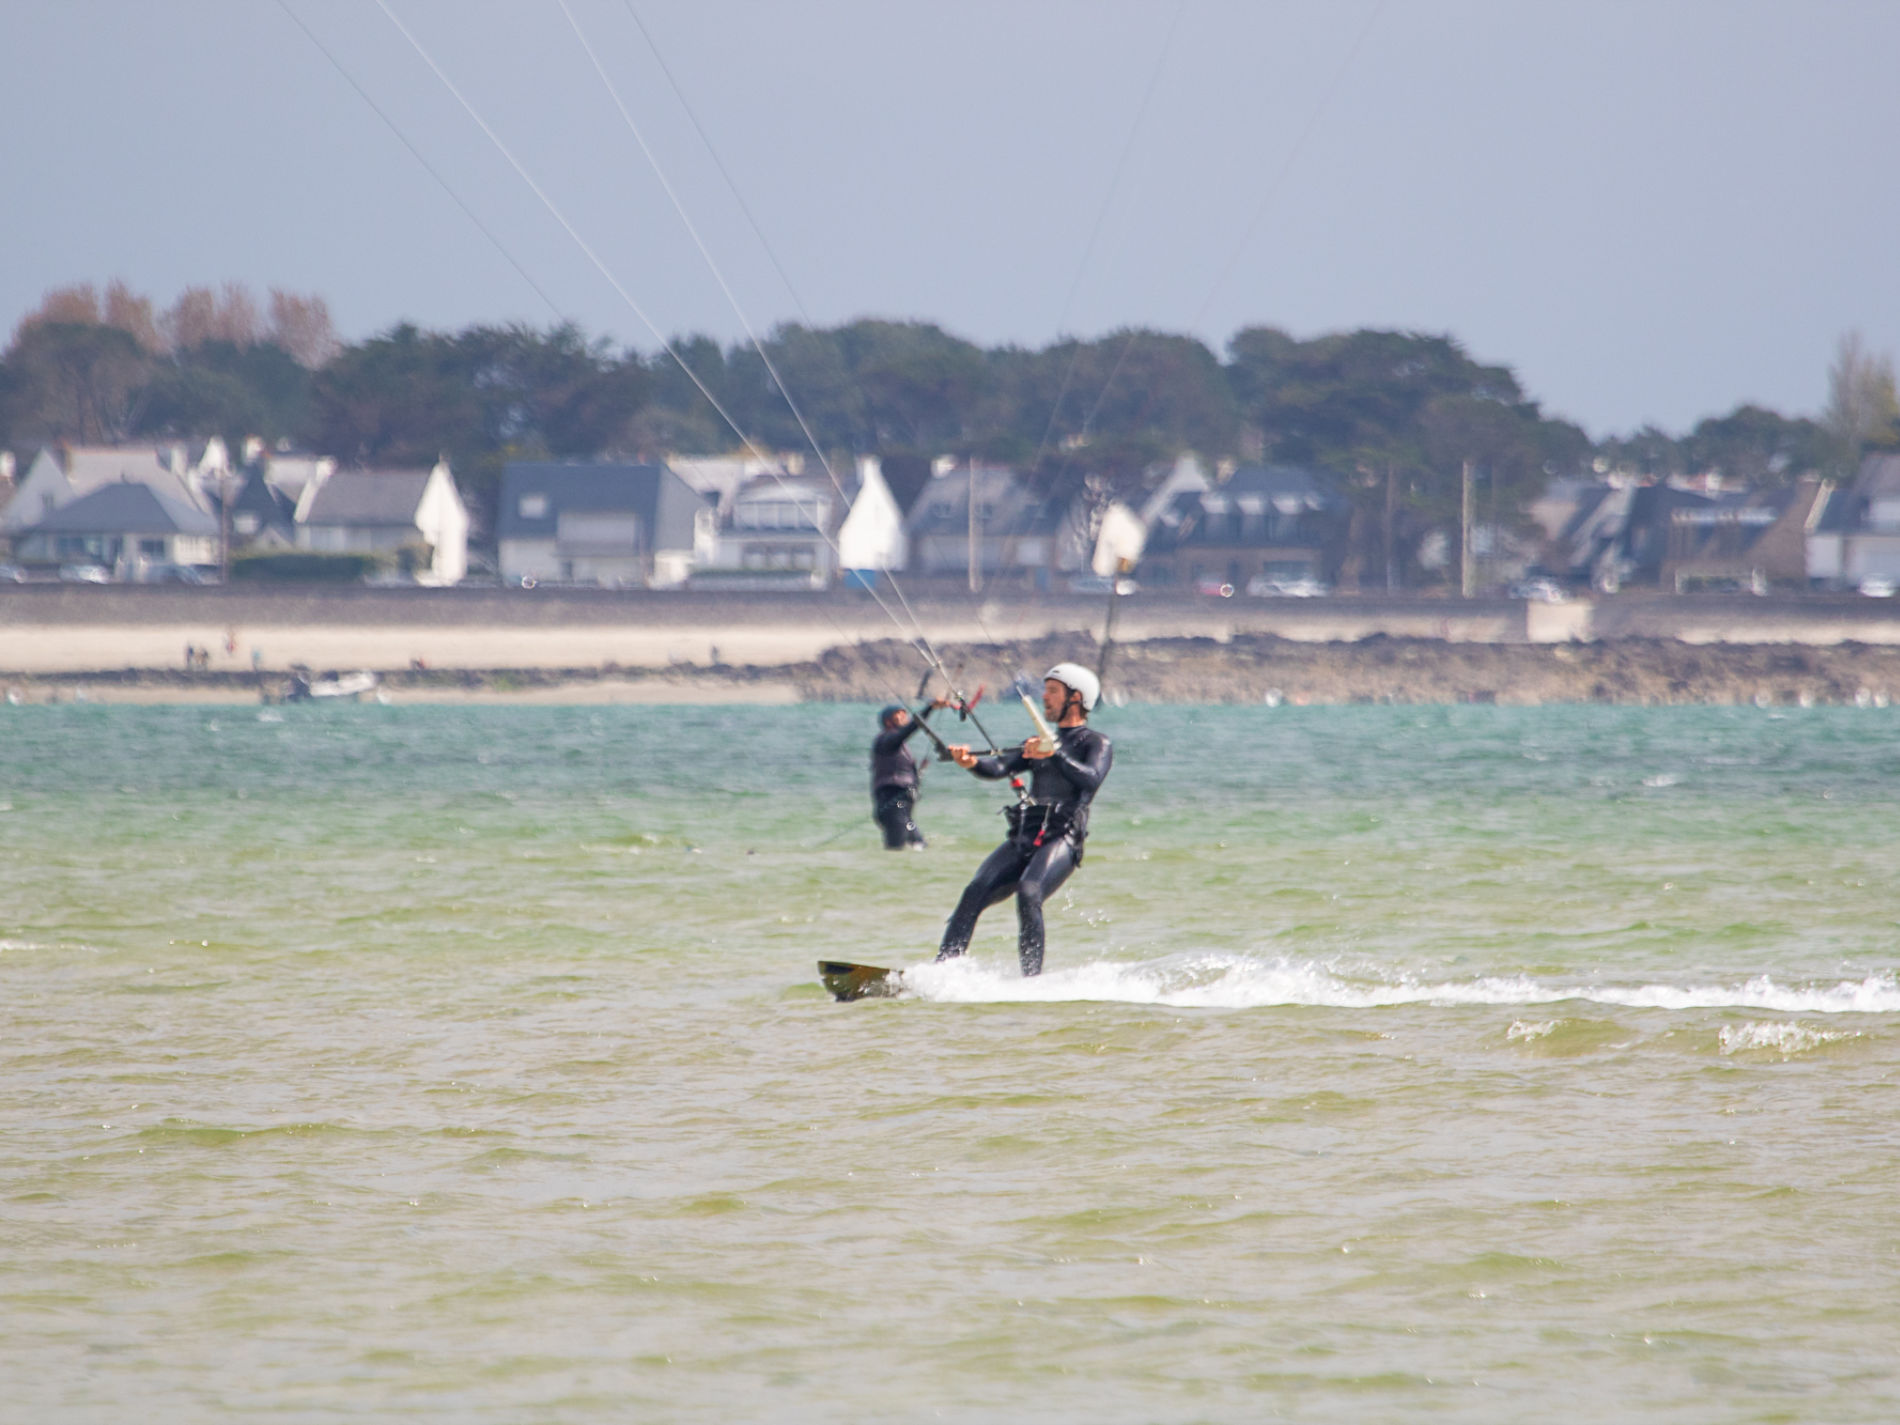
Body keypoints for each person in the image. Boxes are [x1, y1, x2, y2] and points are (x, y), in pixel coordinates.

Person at [937, 662, 1112, 976]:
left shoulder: (1096, 744)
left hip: (1063, 839)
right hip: (1026, 836)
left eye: (1053, 691)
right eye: (1044, 690)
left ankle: (1031, 980)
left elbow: (1091, 778)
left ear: (1076, 698)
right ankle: (942, 971)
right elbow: (1000, 768)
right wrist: (971, 762)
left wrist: (1054, 754)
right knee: (973, 892)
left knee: (1029, 892)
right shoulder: (1036, 743)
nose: (1044, 697)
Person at [871, 700, 947, 849]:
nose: (905, 717)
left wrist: (916, 775)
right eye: (899, 714)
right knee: (896, 849)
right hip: (892, 804)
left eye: (905, 713)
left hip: (902, 807)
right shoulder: (886, 740)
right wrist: (930, 708)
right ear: (888, 722)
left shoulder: (897, 745)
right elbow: (909, 729)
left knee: (919, 844)